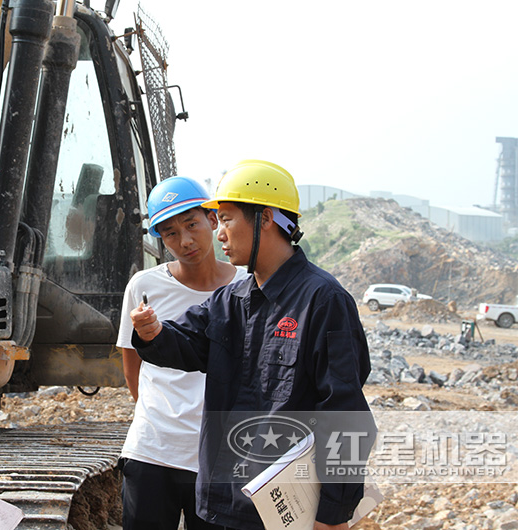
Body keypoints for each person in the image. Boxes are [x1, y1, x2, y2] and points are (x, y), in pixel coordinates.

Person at [130, 160, 374, 530]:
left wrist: (332, 514)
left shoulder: (323, 301)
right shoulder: (232, 300)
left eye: (227, 219)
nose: (220, 233)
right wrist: (152, 334)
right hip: (223, 504)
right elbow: (185, 343)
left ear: (265, 219)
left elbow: (346, 412)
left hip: (283, 513)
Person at [117, 176, 247, 530]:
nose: (185, 240)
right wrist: (160, 420)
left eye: (192, 224)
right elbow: (133, 367)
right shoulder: (144, 287)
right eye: (171, 232)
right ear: (160, 238)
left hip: (221, 456)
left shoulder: (247, 285)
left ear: (213, 219)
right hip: (153, 450)